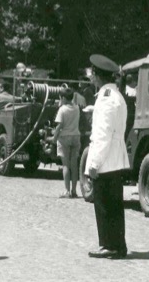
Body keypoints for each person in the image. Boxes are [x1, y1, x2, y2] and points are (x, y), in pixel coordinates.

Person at [84, 54, 129, 259]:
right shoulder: (117, 96)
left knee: (103, 206)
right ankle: (118, 245)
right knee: (115, 206)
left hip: (105, 160)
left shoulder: (105, 99)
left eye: (92, 73)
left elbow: (103, 134)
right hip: (115, 159)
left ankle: (108, 245)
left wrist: (93, 163)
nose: (90, 76)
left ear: (96, 75)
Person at [52, 87, 81, 198]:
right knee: (74, 166)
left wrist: (54, 139)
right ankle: (74, 191)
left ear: (63, 98)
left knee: (65, 166)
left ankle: (66, 191)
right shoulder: (77, 108)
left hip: (64, 138)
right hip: (75, 136)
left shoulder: (62, 109)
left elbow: (59, 126)